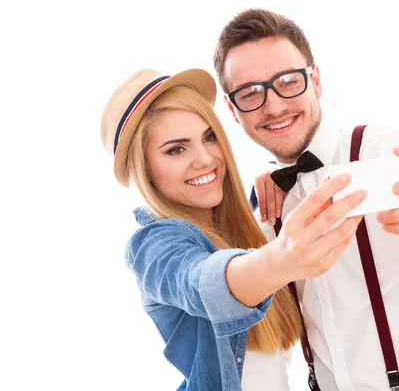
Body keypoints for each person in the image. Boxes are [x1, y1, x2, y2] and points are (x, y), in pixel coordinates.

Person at [214, 9, 399, 391]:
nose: (273, 106)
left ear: (315, 80)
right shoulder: (262, 205)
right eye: (251, 92)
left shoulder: (388, 150)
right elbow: (267, 343)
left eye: (287, 81)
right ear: (234, 111)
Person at [99, 68, 368, 391]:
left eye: (209, 137)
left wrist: (278, 174)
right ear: (145, 170)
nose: (205, 159)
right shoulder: (154, 245)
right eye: (176, 149)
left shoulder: (244, 219)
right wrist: (281, 260)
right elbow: (199, 283)